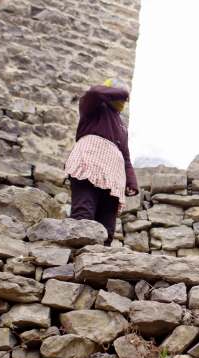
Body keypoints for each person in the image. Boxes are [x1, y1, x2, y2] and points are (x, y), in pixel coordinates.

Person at [65, 79, 139, 245]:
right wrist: (123, 91)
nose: (123, 101)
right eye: (121, 96)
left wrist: (131, 180)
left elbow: (125, 155)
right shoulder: (93, 107)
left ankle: (99, 264)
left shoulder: (121, 125)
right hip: (88, 164)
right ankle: (78, 255)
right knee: (84, 212)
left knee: (107, 225)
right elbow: (93, 93)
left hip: (113, 177)